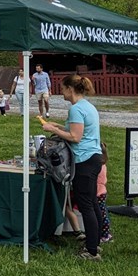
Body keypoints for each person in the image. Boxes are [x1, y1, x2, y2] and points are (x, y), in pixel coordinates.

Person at [41, 74, 105, 261]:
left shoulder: (76, 109)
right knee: (92, 202)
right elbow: (78, 130)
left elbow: (75, 137)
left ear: (70, 89)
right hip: (93, 158)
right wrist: (59, 125)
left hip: (84, 160)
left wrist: (53, 130)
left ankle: (91, 251)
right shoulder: (87, 106)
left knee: (86, 205)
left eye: (62, 88)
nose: (61, 91)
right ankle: (96, 241)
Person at [98, 142, 114, 244]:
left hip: (98, 192)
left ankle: (105, 234)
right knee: (103, 212)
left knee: (102, 214)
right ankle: (104, 233)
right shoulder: (103, 165)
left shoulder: (99, 166)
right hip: (101, 192)